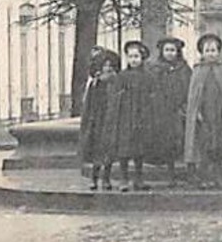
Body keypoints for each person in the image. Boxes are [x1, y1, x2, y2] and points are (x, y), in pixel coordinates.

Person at [183, 33, 222, 188]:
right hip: (204, 114)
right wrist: (196, 111)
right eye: (207, 50)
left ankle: (217, 175)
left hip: (219, 113)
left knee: (219, 144)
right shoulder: (198, 71)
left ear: (218, 52)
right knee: (204, 144)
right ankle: (204, 176)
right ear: (202, 52)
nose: (211, 53)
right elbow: (194, 95)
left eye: (213, 50)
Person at [103, 40, 154, 192]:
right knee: (124, 150)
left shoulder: (148, 76)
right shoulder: (122, 76)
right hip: (125, 117)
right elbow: (115, 96)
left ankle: (139, 179)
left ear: (142, 58)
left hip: (141, 116)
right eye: (131, 56)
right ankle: (123, 179)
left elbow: (152, 95)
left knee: (139, 150)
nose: (134, 60)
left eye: (136, 56)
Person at [148, 38, 192, 186]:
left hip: (179, 111)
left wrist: (184, 105)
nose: (170, 53)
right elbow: (152, 90)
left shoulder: (184, 69)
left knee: (179, 140)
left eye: (173, 50)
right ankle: (170, 173)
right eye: (167, 50)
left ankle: (188, 172)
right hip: (161, 111)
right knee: (166, 142)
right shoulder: (155, 69)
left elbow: (188, 88)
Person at [79, 49, 120, 190]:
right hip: (97, 119)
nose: (107, 68)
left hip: (111, 118)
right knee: (96, 150)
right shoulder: (95, 83)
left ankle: (106, 178)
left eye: (110, 65)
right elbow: (88, 104)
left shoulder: (116, 82)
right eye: (104, 65)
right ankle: (94, 178)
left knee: (109, 151)